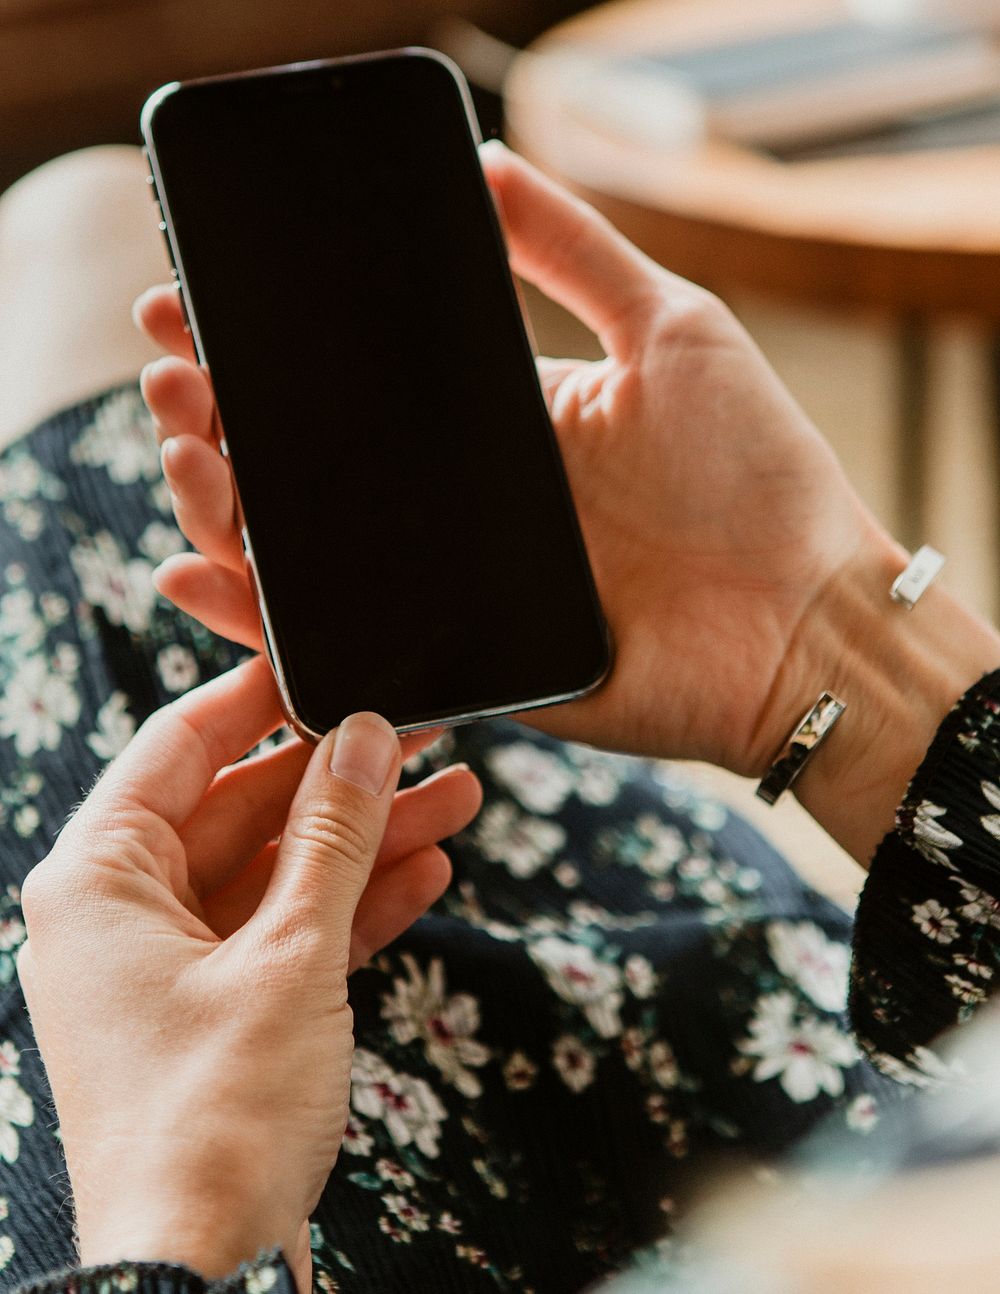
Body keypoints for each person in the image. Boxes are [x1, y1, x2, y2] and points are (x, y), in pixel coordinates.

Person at [0, 139, 998, 1294]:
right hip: (794, 1059)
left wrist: (177, 1196)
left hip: (239, 1213)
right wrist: (831, 651)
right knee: (95, 229)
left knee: (84, 235)